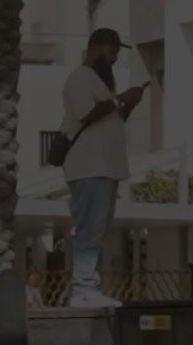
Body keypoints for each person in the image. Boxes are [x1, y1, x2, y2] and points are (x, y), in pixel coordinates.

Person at [60, 28, 147, 308]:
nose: (114, 58)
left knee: (97, 230)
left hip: (106, 168)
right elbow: (87, 112)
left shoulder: (101, 84)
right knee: (89, 228)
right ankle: (82, 289)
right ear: (96, 49)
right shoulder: (80, 78)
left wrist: (129, 102)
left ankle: (88, 287)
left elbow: (112, 118)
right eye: (112, 52)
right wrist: (121, 99)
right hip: (88, 167)